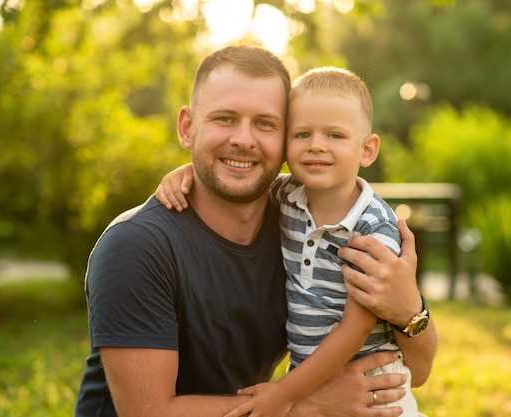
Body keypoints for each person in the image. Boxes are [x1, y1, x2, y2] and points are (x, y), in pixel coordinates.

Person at [76, 44, 438, 417]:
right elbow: (147, 414)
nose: (244, 140)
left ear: (283, 141)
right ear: (188, 128)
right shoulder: (136, 247)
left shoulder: (296, 220)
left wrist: (410, 309)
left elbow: (420, 373)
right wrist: (303, 407)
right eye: (225, 119)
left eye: (265, 124)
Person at [157, 67, 424, 417]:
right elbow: (236, 175)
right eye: (302, 134)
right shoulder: (287, 195)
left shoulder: (372, 228)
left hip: (370, 382)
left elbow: (354, 330)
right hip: (310, 377)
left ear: (367, 150)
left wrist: (284, 394)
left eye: (335, 135)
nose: (316, 145)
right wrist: (188, 171)